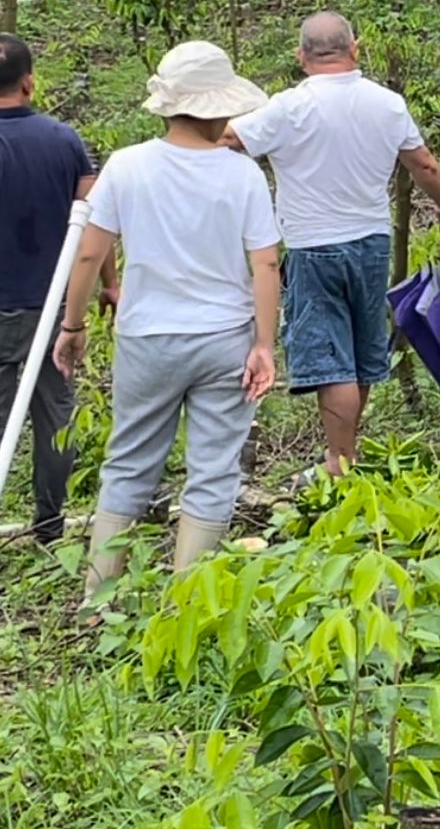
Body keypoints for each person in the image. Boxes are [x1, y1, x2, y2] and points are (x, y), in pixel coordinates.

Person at [55, 41, 281, 599]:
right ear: (214, 107)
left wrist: (73, 325)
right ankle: (187, 599)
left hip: (148, 337)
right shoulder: (241, 175)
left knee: (129, 461)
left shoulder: (127, 166)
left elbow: (89, 251)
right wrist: (264, 343)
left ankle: (99, 601)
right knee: (213, 468)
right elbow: (266, 262)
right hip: (224, 338)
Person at [228, 13, 440, 476]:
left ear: (301, 57)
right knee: (360, 349)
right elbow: (424, 164)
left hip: (314, 246)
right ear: (355, 47)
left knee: (332, 359)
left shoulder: (288, 107)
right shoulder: (387, 103)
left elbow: (229, 137)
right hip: (372, 242)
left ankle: (340, 459)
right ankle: (345, 453)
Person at [0, 33, 111, 545]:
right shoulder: (65, 141)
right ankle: (50, 524)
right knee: (54, 415)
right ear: (30, 81)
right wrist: (109, 284)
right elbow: (94, 222)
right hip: (58, 306)